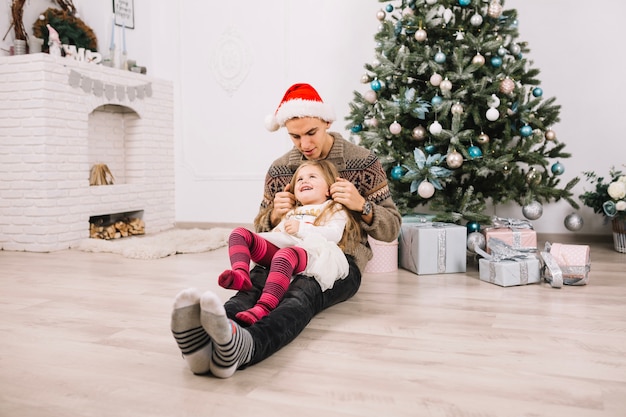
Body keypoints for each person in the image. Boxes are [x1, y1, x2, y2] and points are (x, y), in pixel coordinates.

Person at [171, 83, 401, 378]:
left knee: (299, 295)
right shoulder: (281, 170)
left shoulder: (363, 162)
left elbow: (391, 227)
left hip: (337, 260)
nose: (304, 144)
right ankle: (210, 336)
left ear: (327, 123)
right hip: (284, 248)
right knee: (253, 286)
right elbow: (262, 228)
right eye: (295, 136)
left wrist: (362, 205)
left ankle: (250, 345)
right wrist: (274, 213)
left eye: (311, 133)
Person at [218, 160, 362, 326]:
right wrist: (275, 233)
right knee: (239, 234)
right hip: (285, 247)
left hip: (313, 252)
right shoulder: (293, 211)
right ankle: (241, 274)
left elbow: (333, 235)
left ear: (329, 189)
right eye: (299, 179)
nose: (304, 181)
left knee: (284, 254)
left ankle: (263, 307)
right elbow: (278, 235)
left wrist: (300, 228)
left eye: (312, 176)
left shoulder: (333, 208)